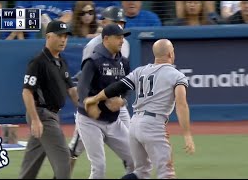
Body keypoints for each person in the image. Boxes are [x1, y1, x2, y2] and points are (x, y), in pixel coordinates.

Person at [84, 39, 196, 179]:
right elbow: (182, 104)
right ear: (170, 54)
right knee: (166, 173)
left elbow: (116, 87)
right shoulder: (177, 76)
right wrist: (187, 134)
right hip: (154, 125)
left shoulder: (140, 71)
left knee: (141, 172)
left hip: (134, 124)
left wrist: (94, 99)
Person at [68, 6, 132, 174]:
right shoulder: (93, 50)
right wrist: (89, 103)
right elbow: (85, 81)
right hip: (92, 111)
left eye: (122, 23)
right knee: (78, 150)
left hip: (114, 111)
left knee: (134, 153)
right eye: (116, 23)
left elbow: (125, 82)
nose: (121, 29)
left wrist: (122, 99)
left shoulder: (124, 49)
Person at [19, 20, 78, 179]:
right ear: (48, 36)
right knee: (64, 158)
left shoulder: (61, 61)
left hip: (50, 115)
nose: (63, 40)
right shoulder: (38, 62)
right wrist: (36, 120)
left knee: (31, 163)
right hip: (42, 115)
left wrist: (83, 107)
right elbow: (27, 92)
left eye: (66, 36)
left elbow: (71, 90)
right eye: (59, 36)